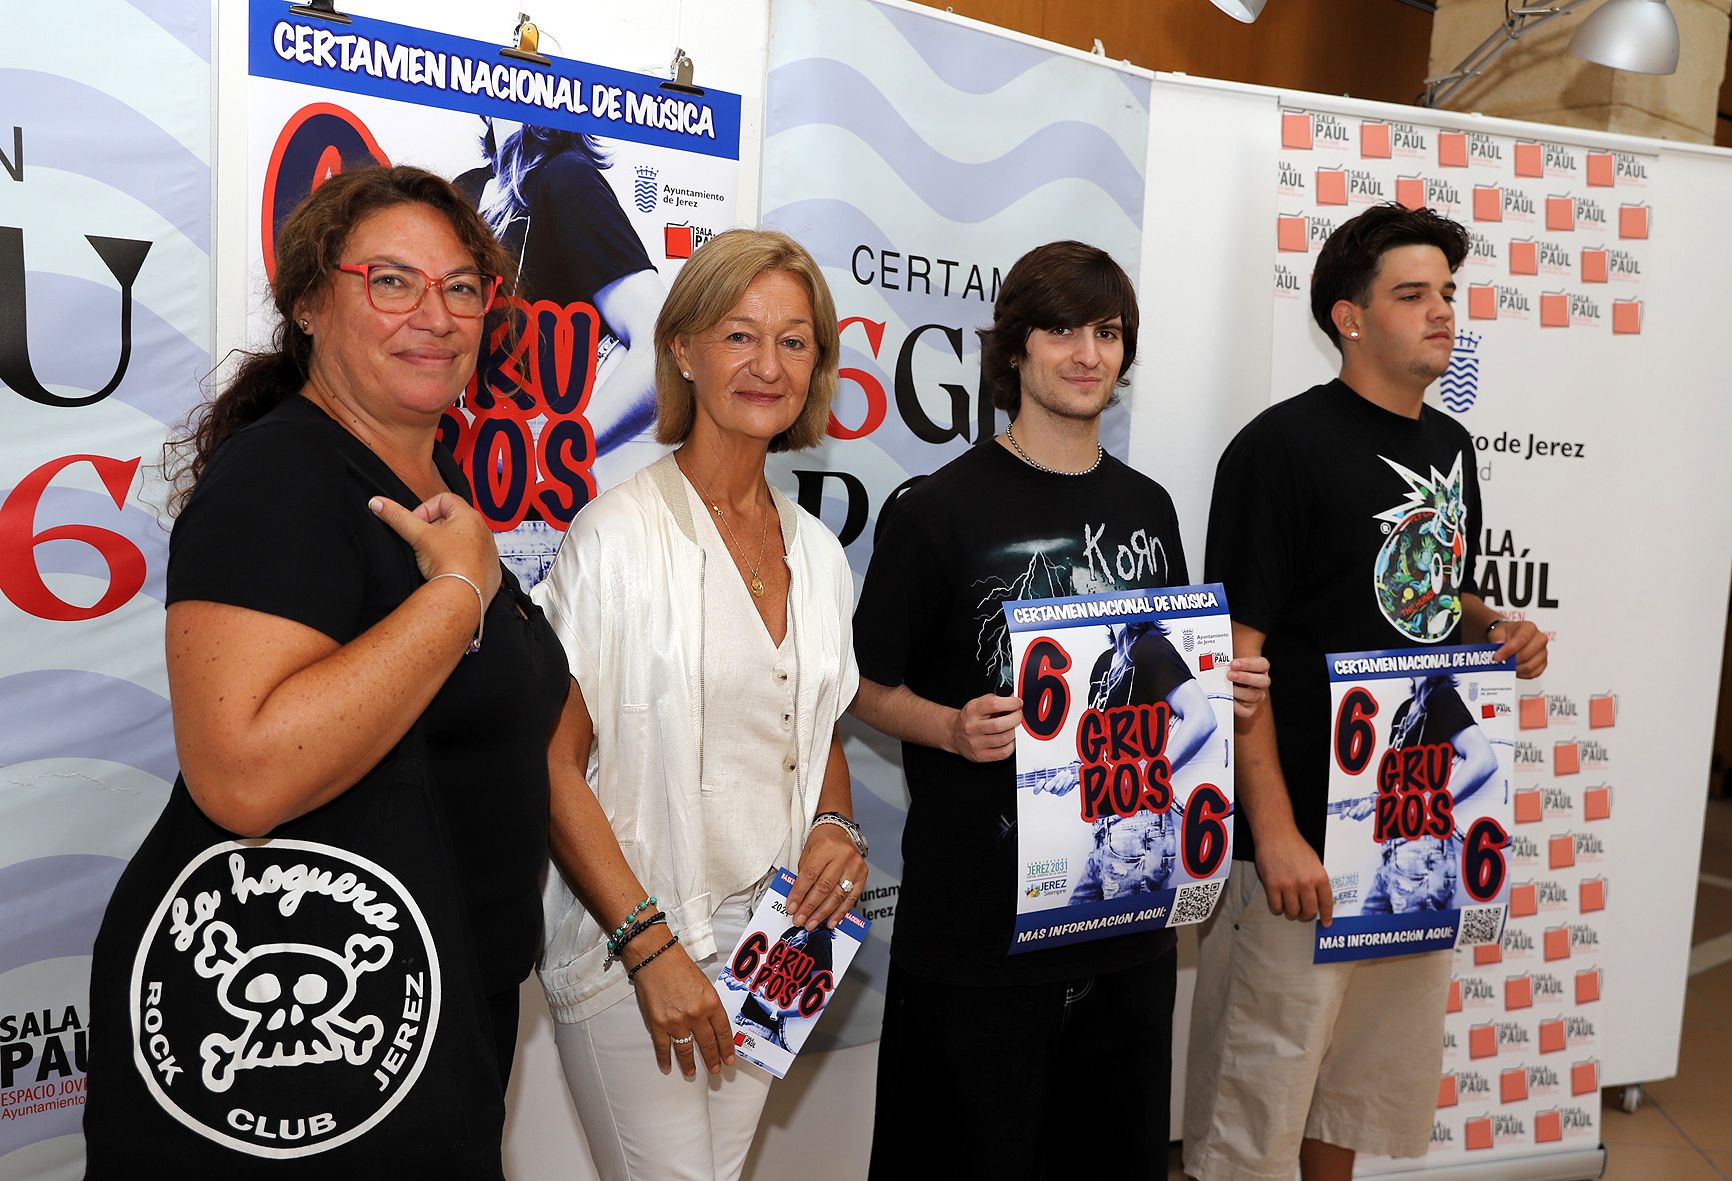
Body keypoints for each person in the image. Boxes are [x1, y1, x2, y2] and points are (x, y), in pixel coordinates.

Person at [82, 165, 566, 1175]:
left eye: (461, 286)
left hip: (427, 1025)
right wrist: (456, 598)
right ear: (310, 302)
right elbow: (244, 773)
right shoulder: (284, 475)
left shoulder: (427, 477)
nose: (434, 316)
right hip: (309, 1061)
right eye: (391, 281)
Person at [850, 240, 1270, 1179]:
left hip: (1125, 921)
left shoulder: (1150, 507)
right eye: (1061, 328)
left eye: (1108, 331)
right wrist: (951, 727)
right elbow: (860, 685)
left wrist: (1219, 695)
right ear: (1016, 351)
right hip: (976, 933)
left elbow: (1159, 684)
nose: (1087, 353)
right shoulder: (937, 511)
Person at [1185, 203, 1548, 1181]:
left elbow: (1436, 590)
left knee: (1353, 1087)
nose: (1442, 314)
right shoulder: (1279, 449)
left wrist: (1490, 626)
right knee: (1255, 1103)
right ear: (1348, 317)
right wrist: (1274, 831)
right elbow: (1234, 659)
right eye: (1412, 294)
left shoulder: (1452, 446)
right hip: (1300, 839)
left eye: (1447, 294)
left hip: (1413, 822)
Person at [531, 229, 866, 1181]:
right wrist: (649, 948)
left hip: (776, 945)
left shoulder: (816, 552)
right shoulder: (618, 537)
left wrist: (835, 819)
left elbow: (815, 722)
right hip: (642, 947)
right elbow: (551, 764)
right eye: (739, 335)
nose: (768, 365)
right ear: (682, 349)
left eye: (794, 341)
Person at [458, 120, 663, 455]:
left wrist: (553, 458)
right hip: (469, 465)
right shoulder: (467, 188)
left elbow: (660, 348)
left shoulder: (565, 178)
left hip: (532, 483)